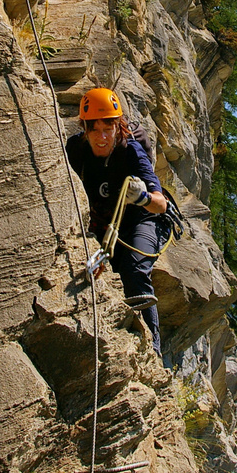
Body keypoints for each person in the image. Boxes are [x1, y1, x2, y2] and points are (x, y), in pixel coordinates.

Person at [66, 87, 167, 355]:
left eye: (107, 129)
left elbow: (161, 204)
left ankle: (153, 350)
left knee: (133, 271)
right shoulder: (76, 150)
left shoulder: (130, 151)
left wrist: (142, 196)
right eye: (94, 130)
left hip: (142, 218)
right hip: (103, 221)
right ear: (84, 129)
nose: (101, 138)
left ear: (118, 127)